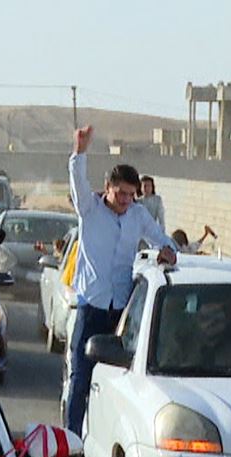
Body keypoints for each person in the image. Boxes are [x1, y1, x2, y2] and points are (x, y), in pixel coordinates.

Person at [64, 124, 177, 434]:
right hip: (92, 308)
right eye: (121, 193)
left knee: (117, 386)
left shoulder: (138, 215)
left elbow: (161, 239)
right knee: (80, 377)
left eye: (131, 194)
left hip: (121, 313)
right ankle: (71, 442)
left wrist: (168, 252)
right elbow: (78, 182)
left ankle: (101, 438)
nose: (126, 199)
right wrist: (79, 151)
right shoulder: (89, 209)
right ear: (108, 188)